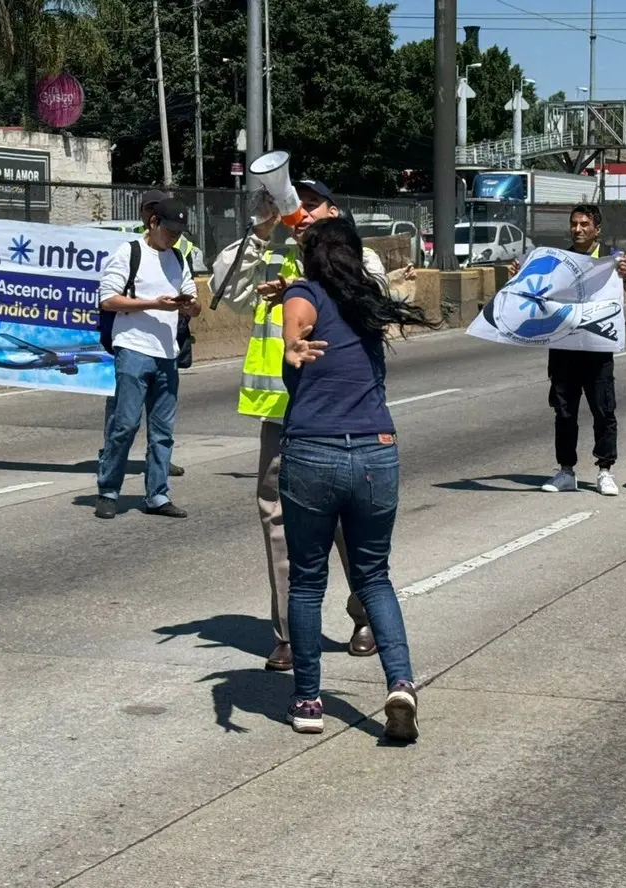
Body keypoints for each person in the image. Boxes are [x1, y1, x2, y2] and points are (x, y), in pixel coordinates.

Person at [210, 179, 415, 672]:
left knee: (348, 522)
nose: (295, 210)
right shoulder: (271, 250)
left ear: (332, 208)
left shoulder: (353, 252)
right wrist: (259, 232)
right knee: (276, 520)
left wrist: (310, 286)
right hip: (281, 410)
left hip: (336, 412)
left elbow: (376, 294)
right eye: (289, 202)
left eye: (308, 204)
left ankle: (364, 614)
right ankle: (287, 633)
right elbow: (223, 289)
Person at [278, 216, 440, 738]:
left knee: (306, 582)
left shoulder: (301, 295)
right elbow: (310, 311)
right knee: (373, 577)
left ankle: (307, 701)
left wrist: (290, 344)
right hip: (376, 451)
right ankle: (400, 683)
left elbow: (297, 322)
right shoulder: (368, 302)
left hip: (313, 451)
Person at [511, 205, 626, 496]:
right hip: (564, 349)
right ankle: (566, 470)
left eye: (585, 224)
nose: (578, 229)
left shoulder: (613, 259)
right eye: (574, 223)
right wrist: (519, 276)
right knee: (564, 413)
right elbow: (531, 297)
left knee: (603, 411)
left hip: (598, 351)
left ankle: (605, 470)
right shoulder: (558, 261)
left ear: (597, 229)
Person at [95, 195, 200, 520]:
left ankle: (157, 495)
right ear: (153, 223)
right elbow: (108, 300)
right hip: (134, 349)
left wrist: (187, 306)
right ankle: (109, 490)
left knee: (163, 430)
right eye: (169, 230)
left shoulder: (178, 259)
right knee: (125, 424)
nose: (174, 237)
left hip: (166, 354)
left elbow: (194, 302)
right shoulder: (130, 253)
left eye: (179, 232)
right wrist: (153, 304)